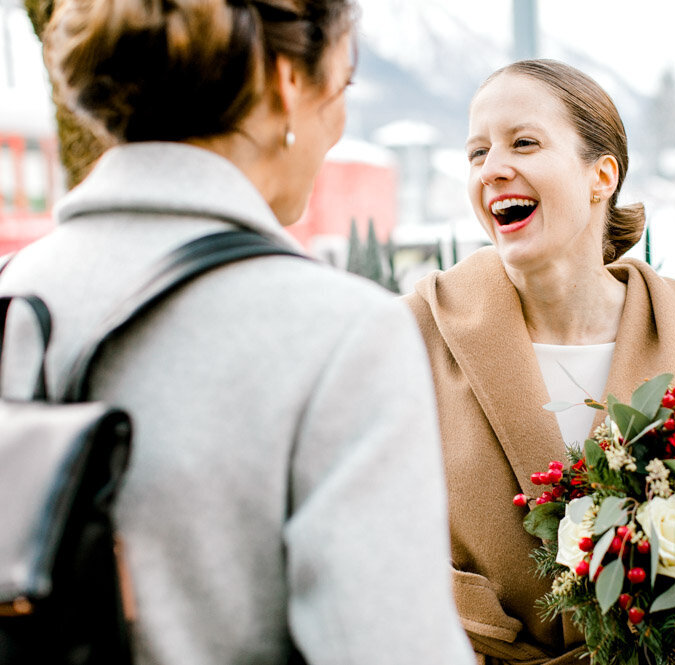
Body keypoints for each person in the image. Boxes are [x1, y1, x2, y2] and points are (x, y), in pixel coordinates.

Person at [0, 0, 476, 663]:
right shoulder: (343, 334)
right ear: (287, 82)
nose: (338, 123)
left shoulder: (12, 292)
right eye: (344, 82)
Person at [404, 59, 675, 665]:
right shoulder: (416, 334)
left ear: (601, 175)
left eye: (524, 143)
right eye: (477, 153)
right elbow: (373, 535)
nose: (493, 169)